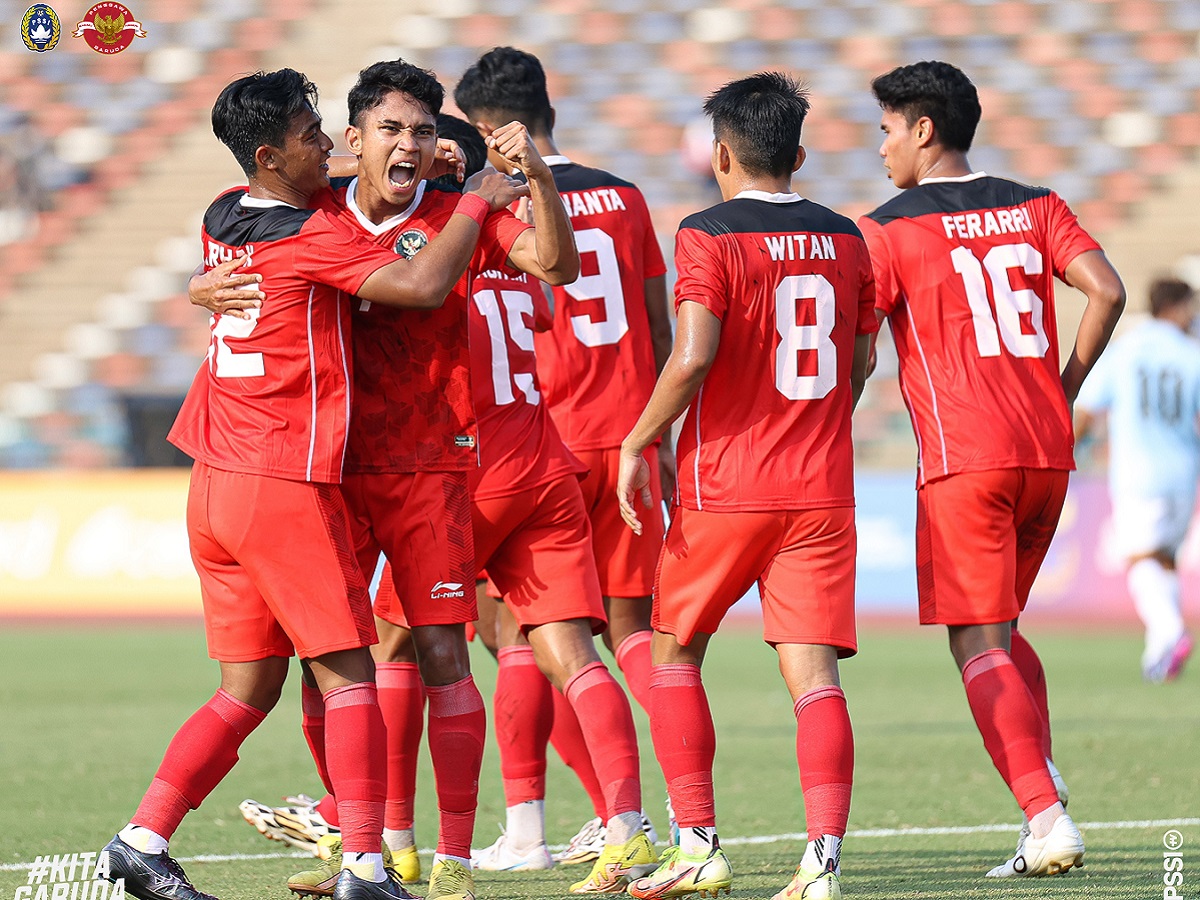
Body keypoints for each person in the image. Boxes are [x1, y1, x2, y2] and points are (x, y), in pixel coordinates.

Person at [103, 68, 526, 900]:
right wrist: (473, 195)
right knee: (351, 676)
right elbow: (421, 284)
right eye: (309, 135)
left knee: (250, 684)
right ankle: (367, 867)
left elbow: (287, 214)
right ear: (268, 153)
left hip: (214, 478)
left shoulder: (224, 212)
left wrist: (412, 162)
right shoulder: (308, 236)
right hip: (282, 480)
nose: (327, 144)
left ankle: (141, 839)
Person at [858, 60, 1126, 878]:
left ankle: (1045, 815)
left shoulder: (888, 228)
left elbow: (858, 348)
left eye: (887, 131)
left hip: (965, 458)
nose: (882, 148)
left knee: (974, 639)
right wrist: (1065, 387)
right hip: (1048, 453)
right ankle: (1040, 790)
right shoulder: (1037, 204)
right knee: (1000, 630)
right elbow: (1107, 292)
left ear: (924, 130)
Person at [616, 71, 876, 900]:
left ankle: (696, 844)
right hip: (821, 490)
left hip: (728, 483)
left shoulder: (708, 232)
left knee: (674, 654)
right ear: (798, 153)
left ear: (721, 154)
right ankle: (821, 866)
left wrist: (640, 435)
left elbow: (691, 355)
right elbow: (863, 360)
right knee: (815, 679)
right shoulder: (846, 238)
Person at [454, 45, 673, 864]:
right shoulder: (625, 195)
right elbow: (656, 328)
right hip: (626, 436)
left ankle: (527, 830)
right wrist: (661, 439)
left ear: (485, 128)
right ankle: (676, 812)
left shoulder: (494, 205)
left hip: (533, 440)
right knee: (632, 633)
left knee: (515, 632)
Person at [1075, 276, 1200, 682]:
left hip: (1138, 472)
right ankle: (1159, 655)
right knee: (1163, 558)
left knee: (1140, 557)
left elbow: (1090, 406)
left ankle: (1169, 631)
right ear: (1176, 308)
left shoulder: (1127, 349)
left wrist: (1064, 451)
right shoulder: (1192, 354)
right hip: (1183, 472)